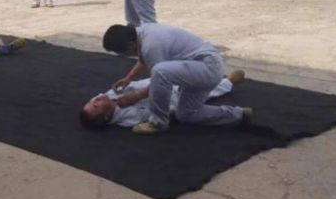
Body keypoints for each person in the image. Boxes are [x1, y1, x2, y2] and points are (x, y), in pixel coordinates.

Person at [101, 23, 252, 134]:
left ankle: (158, 122)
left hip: (207, 67)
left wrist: (134, 97)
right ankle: (238, 114)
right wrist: (128, 78)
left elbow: (158, 80)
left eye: (123, 53)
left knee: (160, 72)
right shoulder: (143, 34)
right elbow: (144, 59)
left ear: (130, 45)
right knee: (186, 114)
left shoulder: (151, 44)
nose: (125, 56)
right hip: (199, 69)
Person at [79, 74, 243, 131]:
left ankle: (223, 80)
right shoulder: (128, 116)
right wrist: (137, 96)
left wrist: (128, 81)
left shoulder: (109, 98)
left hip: (156, 82)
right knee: (206, 92)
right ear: (107, 116)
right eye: (96, 105)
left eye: (91, 101)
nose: (96, 100)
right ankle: (227, 83)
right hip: (172, 98)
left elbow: (101, 96)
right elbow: (154, 111)